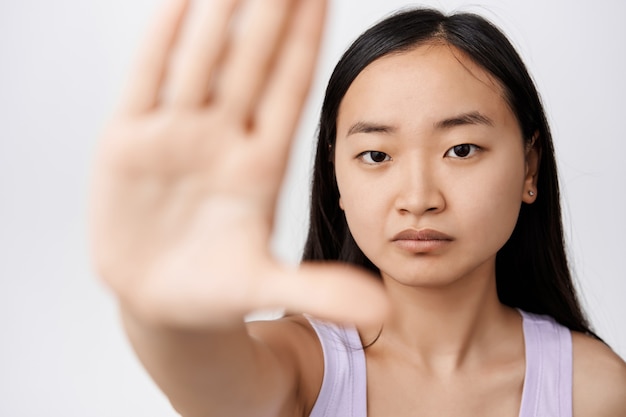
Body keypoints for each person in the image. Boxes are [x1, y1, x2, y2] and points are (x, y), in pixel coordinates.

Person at [90, 0, 626, 416]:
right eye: (375, 155)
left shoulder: (594, 390)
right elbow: (214, 381)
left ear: (529, 168)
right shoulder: (304, 368)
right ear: (337, 179)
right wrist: (158, 313)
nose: (418, 199)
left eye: (461, 150)